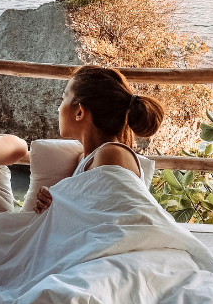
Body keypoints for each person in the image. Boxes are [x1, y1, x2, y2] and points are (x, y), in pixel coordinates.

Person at [34, 65, 163, 213]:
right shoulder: (85, 159)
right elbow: (85, 209)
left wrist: (61, 197)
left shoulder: (112, 153)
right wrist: (54, 199)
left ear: (79, 112)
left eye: (63, 99)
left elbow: (118, 220)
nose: (59, 108)